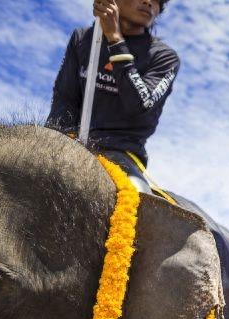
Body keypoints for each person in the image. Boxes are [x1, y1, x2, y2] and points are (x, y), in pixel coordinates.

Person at [48, 0, 180, 193]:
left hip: (122, 154)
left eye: (157, 1)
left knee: (138, 197)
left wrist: (115, 39)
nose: (149, 3)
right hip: (71, 144)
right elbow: (64, 100)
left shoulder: (164, 57)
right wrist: (54, 145)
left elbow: (139, 105)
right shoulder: (83, 39)